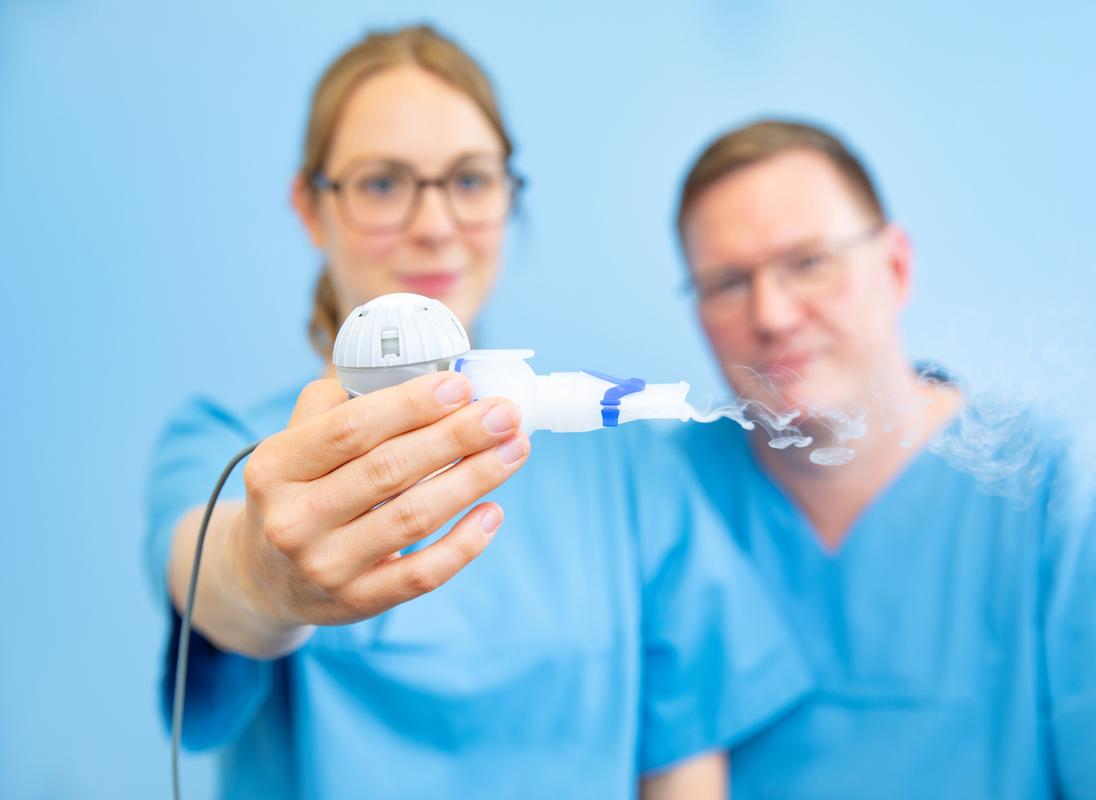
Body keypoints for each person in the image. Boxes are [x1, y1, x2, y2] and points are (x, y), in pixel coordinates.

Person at [144, 29, 810, 800]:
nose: (434, 224)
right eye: (383, 184)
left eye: (469, 180)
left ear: (509, 196)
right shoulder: (229, 445)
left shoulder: (632, 475)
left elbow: (685, 766)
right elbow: (210, 572)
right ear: (310, 207)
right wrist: (263, 575)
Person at [671, 118, 1096, 798]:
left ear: (895, 266)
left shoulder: (1062, 498)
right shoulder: (669, 495)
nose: (771, 314)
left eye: (809, 263)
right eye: (726, 283)